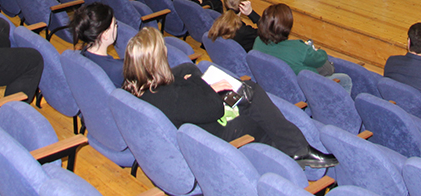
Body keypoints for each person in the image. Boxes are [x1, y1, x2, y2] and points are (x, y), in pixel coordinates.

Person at [122, 27, 337, 168]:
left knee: (251, 99)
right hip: (219, 130)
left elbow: (185, 69)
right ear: (157, 61)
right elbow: (214, 108)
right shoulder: (171, 96)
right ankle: (298, 150)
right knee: (252, 94)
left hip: (199, 120)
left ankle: (290, 153)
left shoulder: (140, 87)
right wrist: (205, 85)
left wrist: (192, 78)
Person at [252, 4, 351, 94]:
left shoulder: (258, 42)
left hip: (274, 86)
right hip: (304, 88)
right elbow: (320, 59)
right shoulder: (298, 48)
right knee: (345, 79)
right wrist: (321, 51)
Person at [70, 2, 124, 87]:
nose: (116, 27)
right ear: (105, 34)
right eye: (115, 24)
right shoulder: (117, 70)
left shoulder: (82, 54)